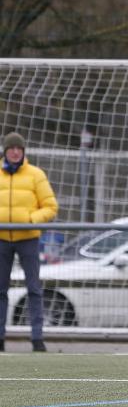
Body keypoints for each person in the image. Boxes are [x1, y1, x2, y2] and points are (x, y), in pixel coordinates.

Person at [0, 132, 59, 352]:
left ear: (23, 151)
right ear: (5, 151)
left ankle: (37, 338)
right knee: (1, 290)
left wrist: (31, 220)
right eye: (11, 148)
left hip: (28, 240)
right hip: (2, 240)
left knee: (34, 289)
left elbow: (50, 206)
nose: (15, 151)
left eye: (19, 148)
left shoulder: (35, 174)